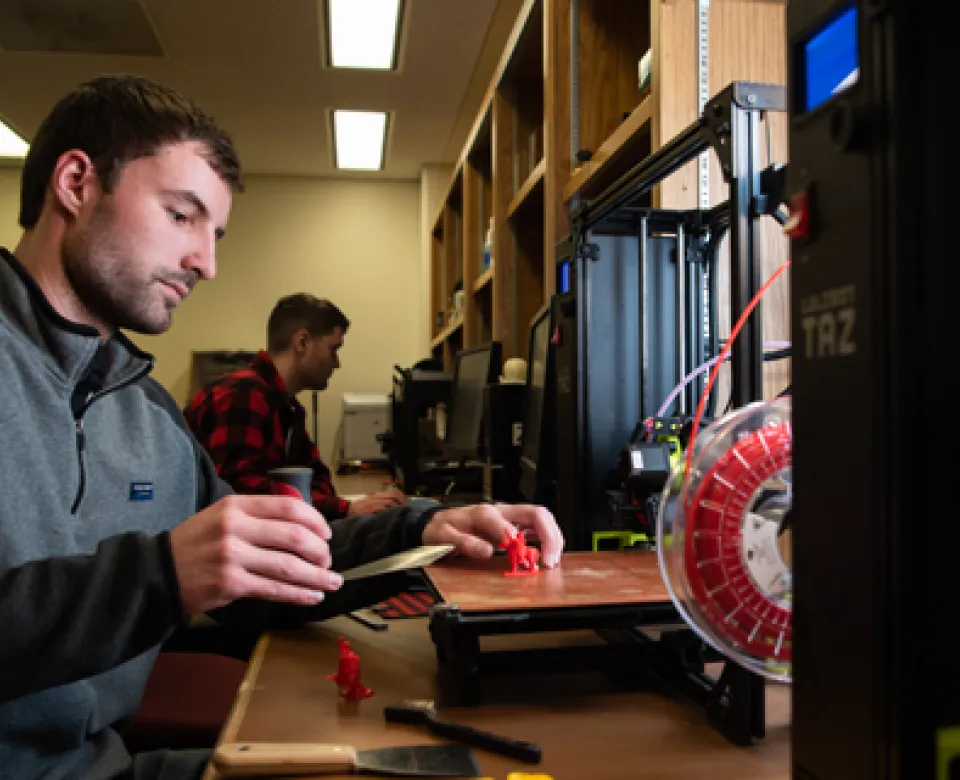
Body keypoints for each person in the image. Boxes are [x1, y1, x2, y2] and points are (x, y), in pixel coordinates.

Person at [0, 75, 564, 780]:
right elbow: (169, 576)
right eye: (182, 216)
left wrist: (421, 530)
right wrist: (162, 575)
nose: (206, 262)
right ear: (77, 182)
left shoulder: (142, 411)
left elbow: (263, 568)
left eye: (215, 233)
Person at [184, 294, 405, 519]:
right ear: (302, 342)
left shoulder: (287, 407)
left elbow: (318, 476)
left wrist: (334, 506)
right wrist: (345, 509)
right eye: (333, 349)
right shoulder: (243, 393)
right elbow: (242, 494)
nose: (337, 363)